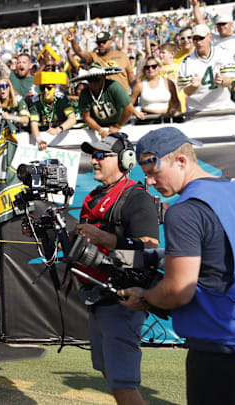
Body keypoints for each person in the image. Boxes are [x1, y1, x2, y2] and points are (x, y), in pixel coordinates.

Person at [120, 126, 235, 405]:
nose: (150, 182)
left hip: (219, 351)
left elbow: (178, 290)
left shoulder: (185, 209)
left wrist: (146, 297)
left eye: (153, 171)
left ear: (181, 161)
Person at [74, 133, 159, 405]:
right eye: (93, 155)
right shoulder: (93, 198)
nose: (94, 161)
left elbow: (148, 252)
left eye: (102, 155)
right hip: (97, 296)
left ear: (125, 160)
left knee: (122, 383)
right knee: (108, 372)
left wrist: (107, 241)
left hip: (122, 299)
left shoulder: (135, 198)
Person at [177, 24, 235, 117]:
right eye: (195, 39)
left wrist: (222, 81)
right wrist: (194, 87)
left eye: (201, 38)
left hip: (223, 109)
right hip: (197, 112)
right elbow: (186, 91)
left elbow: (229, 80)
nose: (198, 42)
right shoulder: (186, 62)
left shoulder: (224, 54)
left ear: (209, 37)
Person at [75, 63, 135, 138]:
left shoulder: (114, 87)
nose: (93, 83)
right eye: (90, 80)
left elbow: (129, 108)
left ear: (104, 77)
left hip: (121, 125)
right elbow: (86, 116)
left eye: (97, 79)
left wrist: (118, 126)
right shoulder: (84, 93)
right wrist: (100, 130)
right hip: (98, 127)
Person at [69, 30, 135, 93]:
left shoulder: (122, 56)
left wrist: (134, 94)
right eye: (99, 42)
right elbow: (80, 52)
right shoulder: (94, 56)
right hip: (104, 98)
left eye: (104, 42)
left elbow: (131, 78)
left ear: (111, 42)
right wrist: (73, 41)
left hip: (123, 97)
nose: (101, 44)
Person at [28, 72, 77, 150]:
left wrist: (58, 129)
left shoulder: (61, 99)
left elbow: (72, 119)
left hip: (63, 139)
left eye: (49, 88)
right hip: (45, 135)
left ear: (54, 88)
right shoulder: (36, 102)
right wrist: (39, 140)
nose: (45, 91)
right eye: (42, 88)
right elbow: (33, 123)